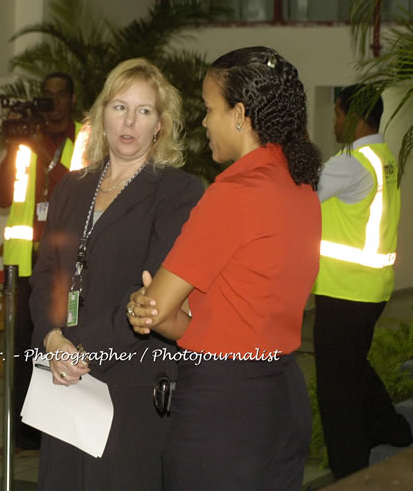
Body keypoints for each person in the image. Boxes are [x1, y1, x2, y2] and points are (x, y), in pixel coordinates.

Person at [128, 46, 323, 490]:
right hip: (281, 393)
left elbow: (157, 307)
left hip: (225, 406)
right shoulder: (300, 187)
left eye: (209, 109)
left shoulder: (234, 192)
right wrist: (171, 314)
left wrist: (143, 304)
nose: (203, 122)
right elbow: (220, 319)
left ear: (239, 115)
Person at [31, 58, 203, 490]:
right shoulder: (72, 187)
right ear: (101, 114)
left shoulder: (176, 190)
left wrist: (83, 349)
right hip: (61, 370)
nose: (129, 121)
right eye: (119, 106)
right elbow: (48, 273)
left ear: (160, 125)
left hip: (129, 375)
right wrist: (53, 338)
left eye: (144, 111)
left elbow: (155, 287)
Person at [313, 84, 410, 479]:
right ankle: (394, 429)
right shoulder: (382, 157)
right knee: (352, 365)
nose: (335, 121)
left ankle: (350, 473)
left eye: (337, 113)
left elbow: (300, 195)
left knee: (336, 390)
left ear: (351, 115)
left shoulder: (350, 162)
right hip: (371, 289)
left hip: (344, 291)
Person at [0, 72, 82, 458]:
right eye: (46, 96)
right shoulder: (26, 142)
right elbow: (0, 195)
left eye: (60, 96)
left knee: (68, 345)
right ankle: (26, 436)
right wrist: (17, 151)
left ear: (72, 100)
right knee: (24, 349)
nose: (52, 103)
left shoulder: (87, 139)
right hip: (25, 263)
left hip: (71, 262)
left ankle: (66, 433)